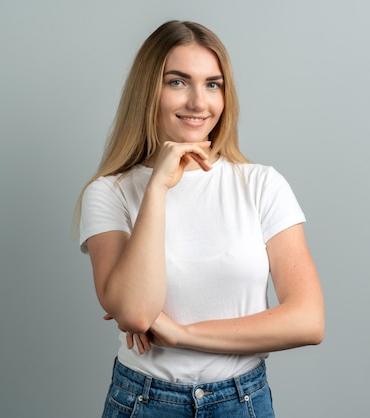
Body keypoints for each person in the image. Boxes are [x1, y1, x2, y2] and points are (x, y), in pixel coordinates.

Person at [75, 20, 324, 418]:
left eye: (212, 84)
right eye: (177, 82)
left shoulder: (261, 184)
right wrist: (157, 188)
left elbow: (309, 321)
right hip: (145, 401)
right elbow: (137, 312)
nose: (198, 102)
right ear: (148, 91)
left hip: (242, 400)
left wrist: (183, 334)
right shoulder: (109, 192)